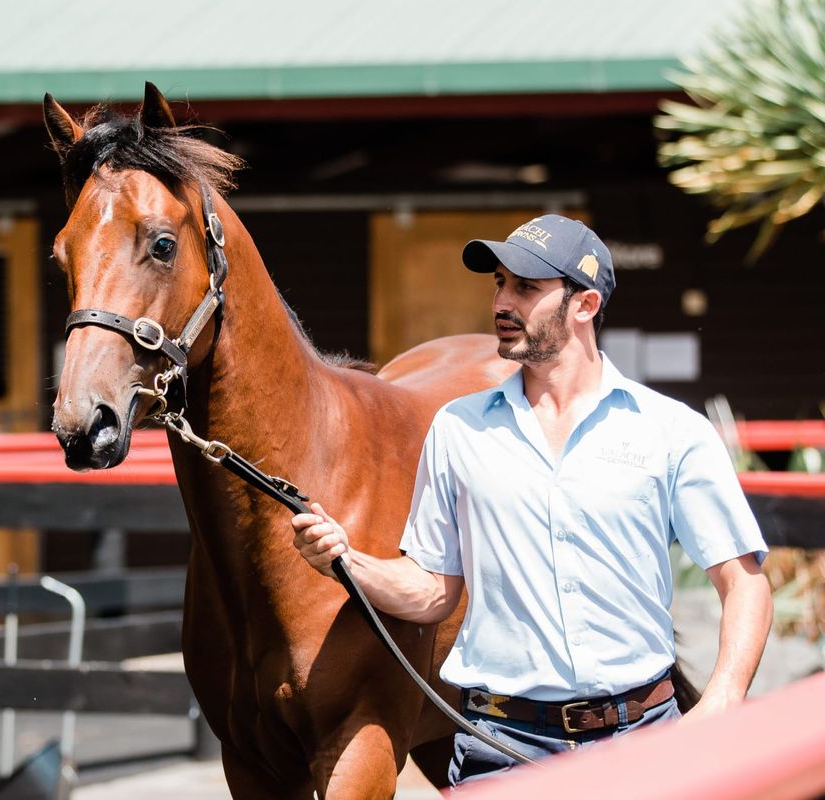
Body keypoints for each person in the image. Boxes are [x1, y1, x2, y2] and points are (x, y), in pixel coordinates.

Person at [291, 214, 772, 785]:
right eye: (499, 283)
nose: (502, 300)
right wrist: (347, 561)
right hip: (500, 747)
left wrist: (722, 697)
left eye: (526, 287)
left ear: (585, 305)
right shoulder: (457, 430)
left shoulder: (672, 430)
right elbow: (432, 591)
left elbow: (744, 582)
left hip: (643, 739)